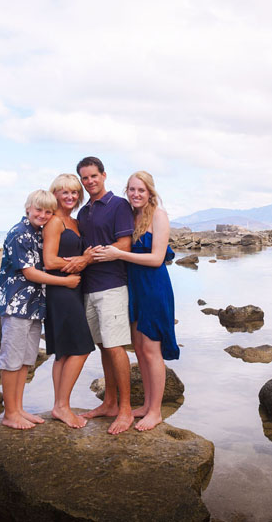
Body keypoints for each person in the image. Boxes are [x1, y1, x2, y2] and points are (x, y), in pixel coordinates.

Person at [93, 171, 178, 431]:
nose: (136, 194)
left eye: (141, 190)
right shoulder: (131, 216)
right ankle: (147, 405)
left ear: (150, 192)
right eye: (131, 190)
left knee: (152, 351)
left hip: (153, 287)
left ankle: (155, 411)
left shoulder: (158, 215)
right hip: (134, 288)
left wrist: (119, 254)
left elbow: (156, 258)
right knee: (139, 349)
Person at [60, 156, 134, 435]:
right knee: (104, 346)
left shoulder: (119, 205)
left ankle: (125, 410)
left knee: (116, 347)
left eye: (94, 176)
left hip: (113, 285)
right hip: (89, 288)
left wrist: (84, 260)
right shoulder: (83, 213)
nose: (89, 181)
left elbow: (123, 244)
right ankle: (110, 403)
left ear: (104, 175)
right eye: (85, 178)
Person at [0, 189, 80, 430]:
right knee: (11, 360)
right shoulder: (19, 234)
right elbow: (30, 272)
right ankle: (9, 413)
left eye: (48, 212)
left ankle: (19, 408)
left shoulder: (37, 233)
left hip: (34, 306)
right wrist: (66, 281)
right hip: (16, 305)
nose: (43, 215)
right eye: (38, 210)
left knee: (25, 361)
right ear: (28, 208)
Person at [42, 173, 95, 429]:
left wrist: (85, 259)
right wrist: (76, 264)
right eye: (65, 192)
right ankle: (62, 406)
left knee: (63, 353)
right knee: (81, 347)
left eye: (74, 192)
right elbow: (49, 261)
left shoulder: (74, 221)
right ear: (55, 194)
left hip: (74, 289)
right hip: (61, 291)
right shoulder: (54, 222)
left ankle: (59, 406)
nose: (70, 196)